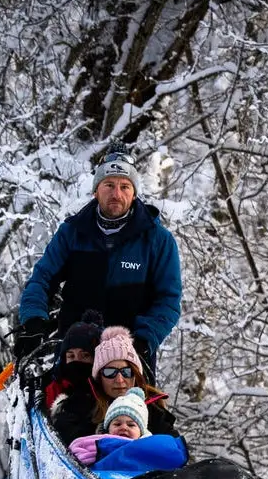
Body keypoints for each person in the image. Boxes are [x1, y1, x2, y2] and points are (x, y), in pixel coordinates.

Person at [14, 142, 182, 376]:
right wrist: (33, 321)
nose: (116, 193)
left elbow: (169, 301)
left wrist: (145, 340)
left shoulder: (157, 240)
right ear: (96, 190)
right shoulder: (72, 232)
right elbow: (40, 281)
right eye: (109, 185)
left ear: (134, 194)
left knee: (132, 414)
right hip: (75, 355)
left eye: (125, 186)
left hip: (128, 360)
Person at [50, 325, 183, 450]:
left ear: (136, 374)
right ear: (99, 377)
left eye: (126, 372)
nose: (119, 380)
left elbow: (174, 449)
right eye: (110, 372)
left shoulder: (153, 409)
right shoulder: (80, 407)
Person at [68, 386, 188, 472]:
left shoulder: (150, 445)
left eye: (131, 425)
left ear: (141, 431)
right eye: (117, 424)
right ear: (107, 428)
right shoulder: (92, 445)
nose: (124, 427)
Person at [42, 309, 104, 410]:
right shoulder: (55, 389)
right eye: (71, 356)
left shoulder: (107, 386)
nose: (77, 361)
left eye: (84, 355)